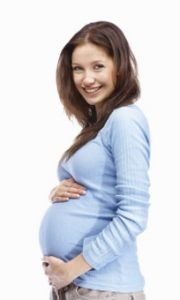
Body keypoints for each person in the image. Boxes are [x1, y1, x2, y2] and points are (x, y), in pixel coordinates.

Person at [39, 20, 150, 300]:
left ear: (119, 66)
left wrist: (71, 270)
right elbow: (98, 190)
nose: (86, 79)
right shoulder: (98, 125)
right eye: (78, 68)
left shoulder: (125, 119)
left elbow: (133, 216)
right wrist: (60, 190)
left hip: (104, 288)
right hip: (76, 287)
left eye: (97, 66)